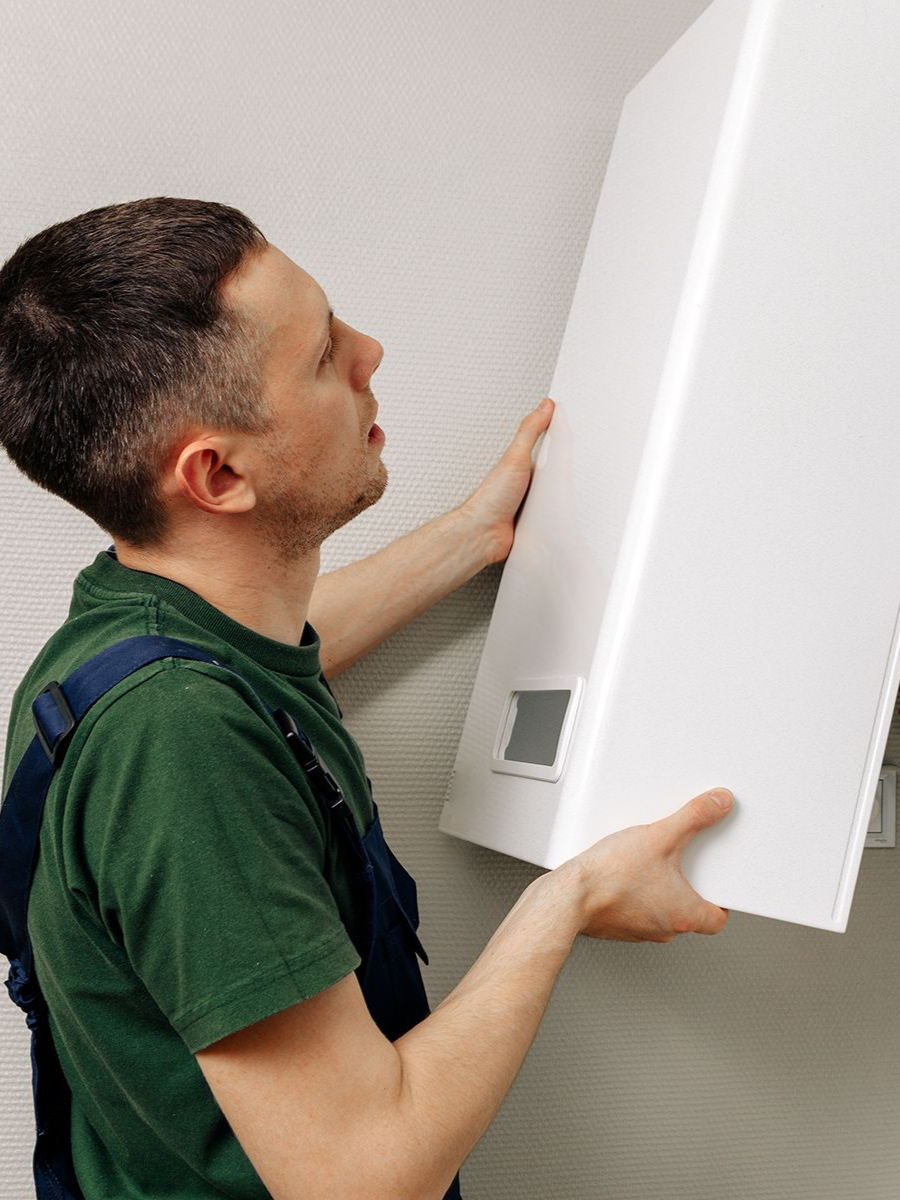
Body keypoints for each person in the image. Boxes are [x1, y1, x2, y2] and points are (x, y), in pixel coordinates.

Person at [0, 196, 734, 1200]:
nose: (372, 353)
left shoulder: (126, 636)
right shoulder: (177, 742)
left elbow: (275, 652)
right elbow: (364, 1176)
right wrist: (567, 901)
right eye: (323, 356)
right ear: (218, 474)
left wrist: (472, 537)